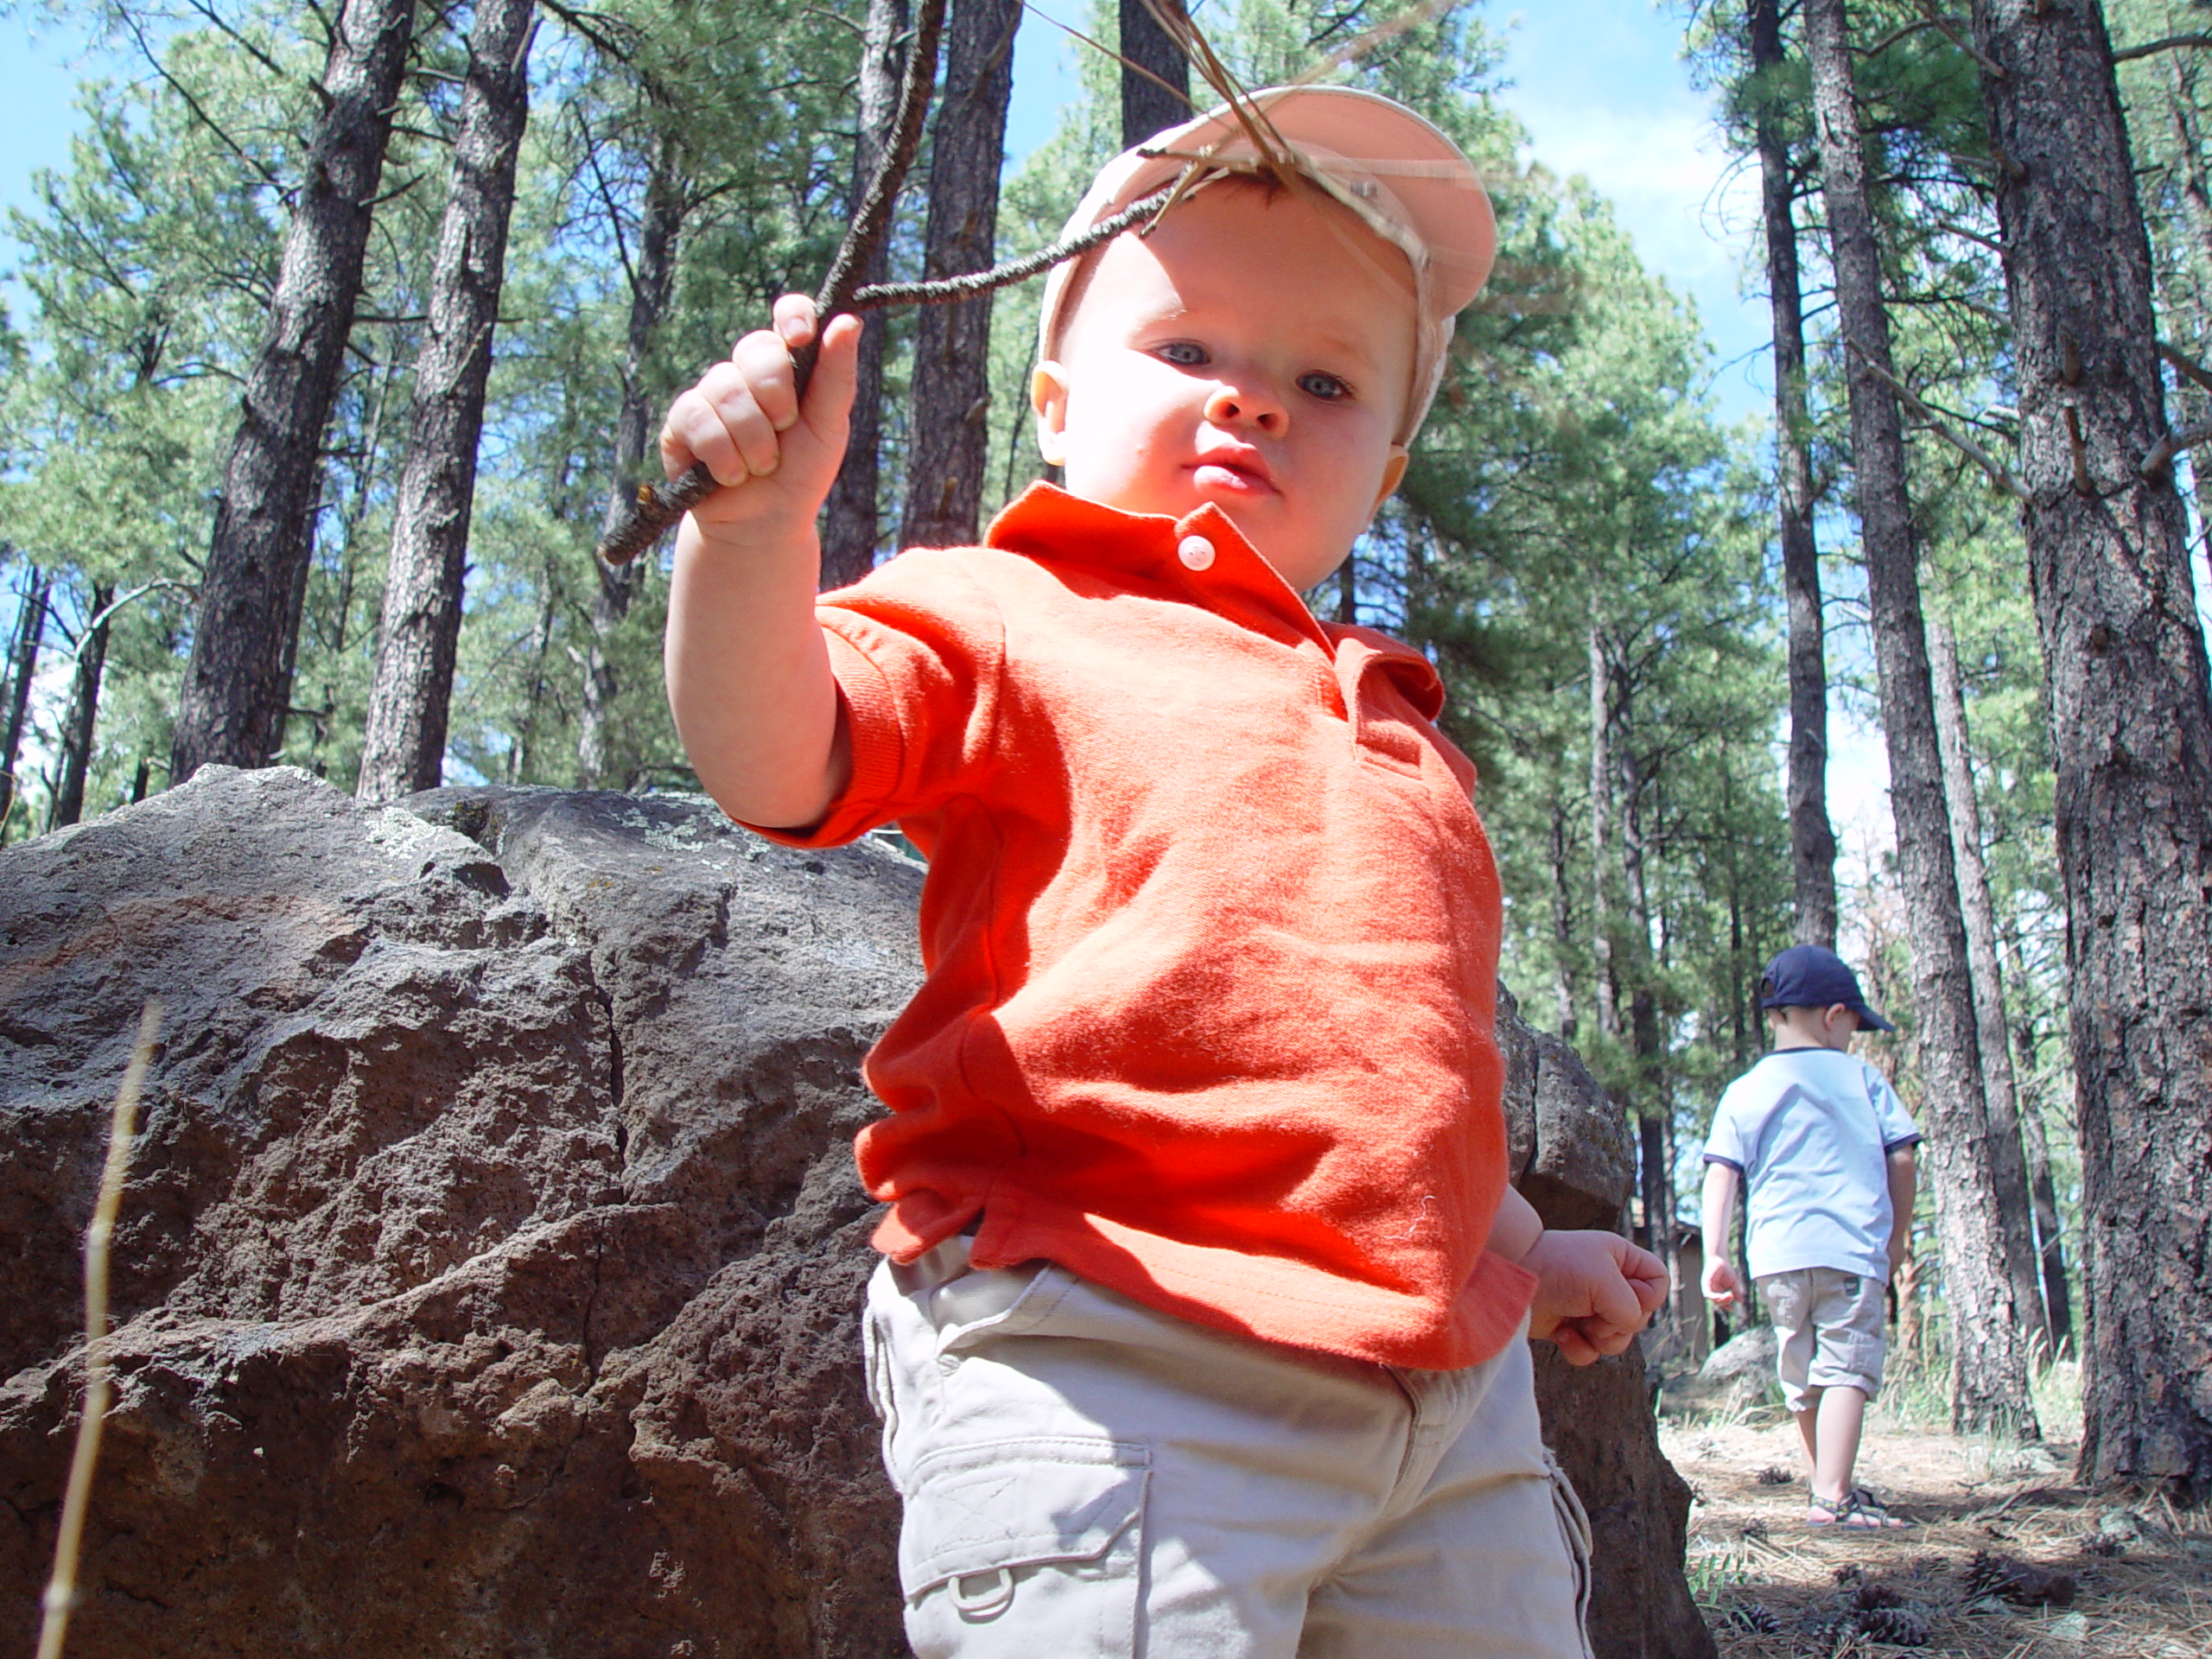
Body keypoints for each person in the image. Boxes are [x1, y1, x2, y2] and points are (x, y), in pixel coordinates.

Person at [659, 85, 1669, 1656]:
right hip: (1112, 1348)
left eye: (1324, 379)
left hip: (1453, 1424)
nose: (1253, 401)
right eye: (1189, 351)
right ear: (1056, 399)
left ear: (1383, 473)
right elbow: (778, 757)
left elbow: (1400, 1083)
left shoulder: (1395, 724)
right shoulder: (1009, 609)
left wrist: (1533, 1254)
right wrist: (750, 540)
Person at [1700, 944, 1921, 1529]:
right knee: (1848, 1368)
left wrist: (1715, 1254)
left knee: (1800, 1374)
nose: (1854, 1036)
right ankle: (1832, 1499)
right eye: (1853, 1024)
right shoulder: (1862, 1079)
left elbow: (1722, 1168)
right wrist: (1896, 1238)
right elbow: (1902, 1156)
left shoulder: (1744, 1089)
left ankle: (1830, 1482)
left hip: (1776, 1257)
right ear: (1833, 1015)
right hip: (1850, 1251)